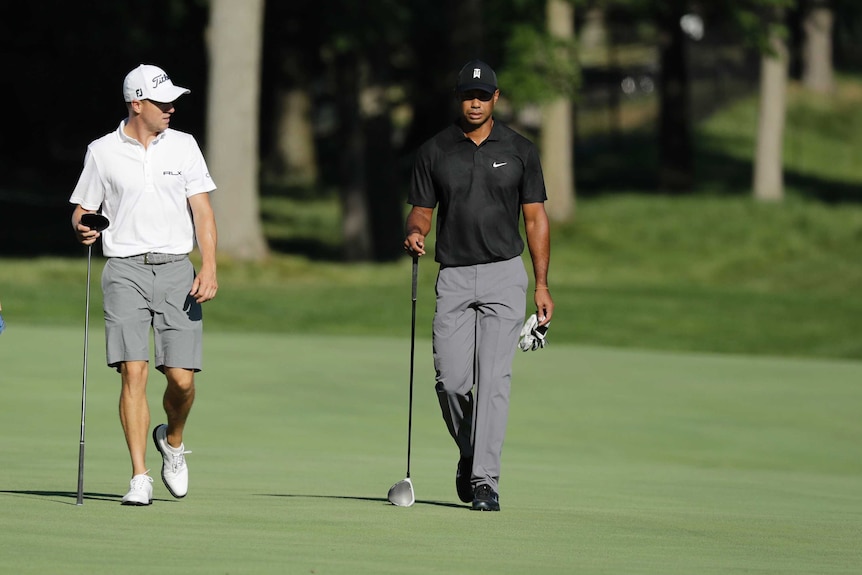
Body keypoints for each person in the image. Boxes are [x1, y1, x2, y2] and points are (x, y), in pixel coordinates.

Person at [403, 59, 554, 511]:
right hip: (453, 275)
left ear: (496, 98)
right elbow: (421, 210)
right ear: (459, 98)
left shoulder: (521, 150)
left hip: (505, 274)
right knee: (451, 381)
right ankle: (470, 453)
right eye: (469, 96)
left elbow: (536, 219)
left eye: (483, 96)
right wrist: (414, 232)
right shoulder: (435, 151)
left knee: (493, 381)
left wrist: (542, 285)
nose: (475, 103)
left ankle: (485, 480)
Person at [69, 64, 218, 506]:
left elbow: (203, 213)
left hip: (177, 269)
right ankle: (139, 476)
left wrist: (208, 266)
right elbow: (82, 207)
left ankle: (172, 442)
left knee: (182, 380)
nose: (171, 108)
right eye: (162, 101)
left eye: (173, 101)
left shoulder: (185, 146)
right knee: (132, 371)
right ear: (137, 103)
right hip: (125, 270)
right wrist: (82, 226)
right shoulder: (101, 151)